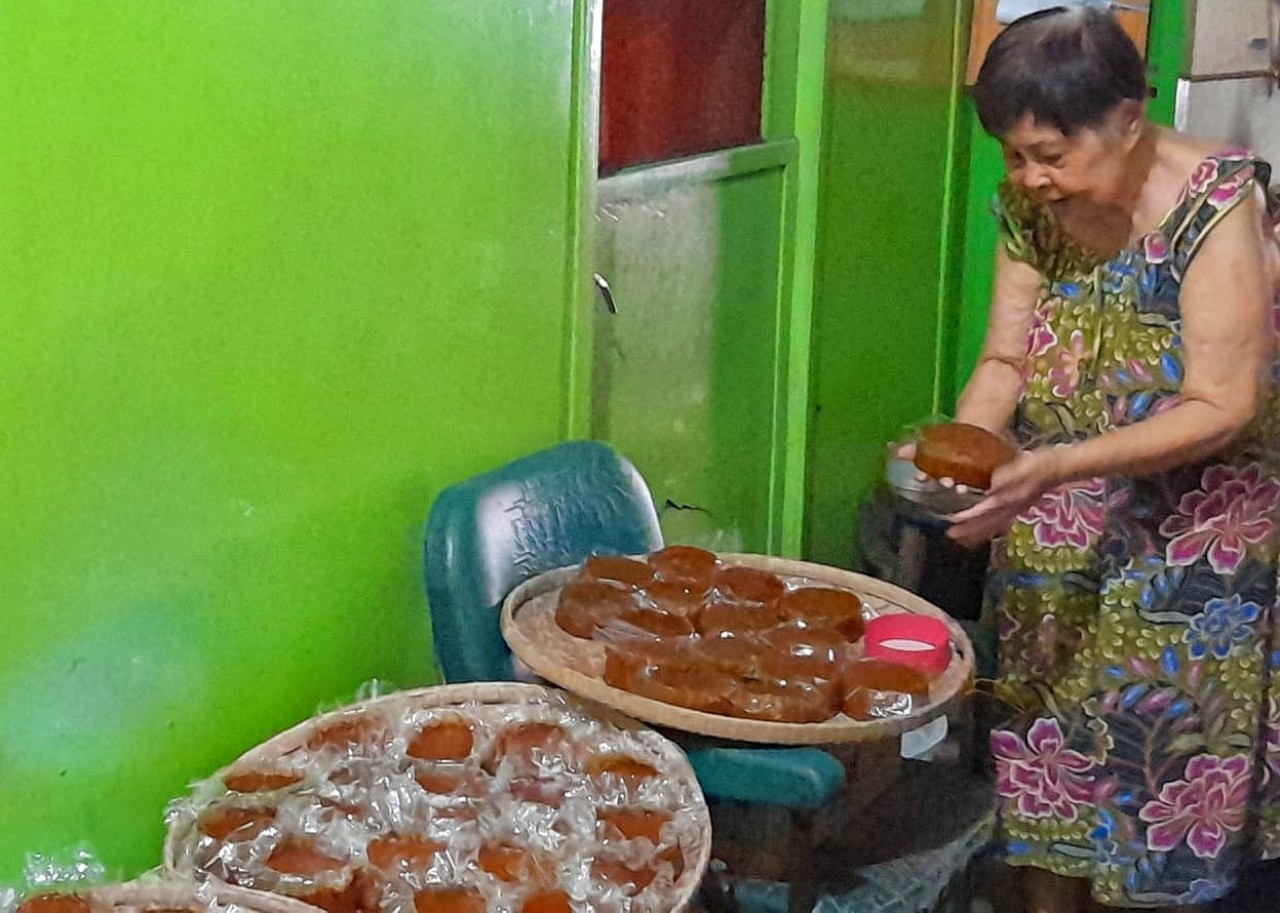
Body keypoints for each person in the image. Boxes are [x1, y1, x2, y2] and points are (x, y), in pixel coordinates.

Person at [940, 8, 1280, 912]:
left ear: (1129, 121)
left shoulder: (1217, 204)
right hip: (1056, 522)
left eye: (1050, 154)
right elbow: (1006, 360)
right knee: (1045, 747)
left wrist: (1055, 467)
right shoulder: (1034, 204)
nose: (1030, 177)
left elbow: (1224, 402)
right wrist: (968, 459)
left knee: (1157, 761)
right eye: (1014, 155)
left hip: (1193, 537)